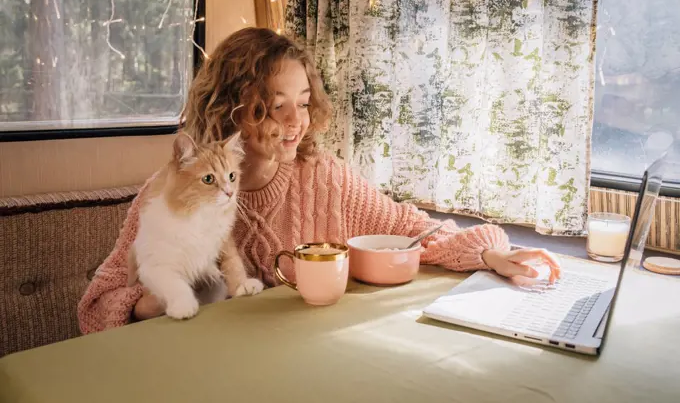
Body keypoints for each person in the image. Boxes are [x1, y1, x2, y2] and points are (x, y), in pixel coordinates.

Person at [77, 27, 561, 334]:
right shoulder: (164, 195)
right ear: (230, 107)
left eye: (304, 101)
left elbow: (415, 232)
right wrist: (151, 303)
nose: (296, 121)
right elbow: (95, 308)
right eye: (275, 103)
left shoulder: (327, 178)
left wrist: (493, 253)